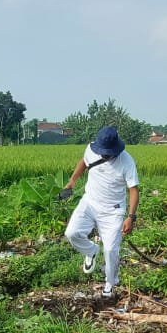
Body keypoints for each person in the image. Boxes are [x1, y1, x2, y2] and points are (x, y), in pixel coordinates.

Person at [59, 126, 140, 298]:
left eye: (108, 153)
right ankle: (91, 251)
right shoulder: (91, 149)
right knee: (72, 233)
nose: (104, 155)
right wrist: (71, 182)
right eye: (102, 152)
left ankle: (110, 283)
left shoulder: (127, 161)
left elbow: (134, 190)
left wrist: (130, 217)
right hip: (90, 202)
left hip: (113, 211)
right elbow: (84, 161)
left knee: (111, 251)